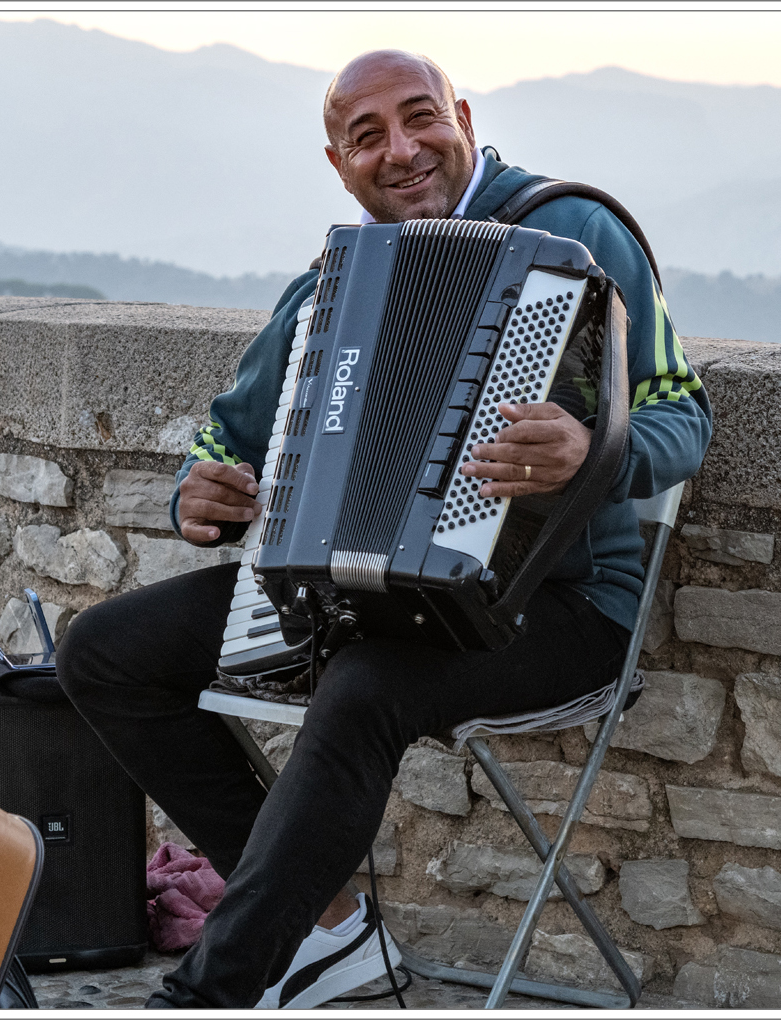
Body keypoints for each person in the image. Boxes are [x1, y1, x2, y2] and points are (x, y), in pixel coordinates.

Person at [56, 49, 712, 1009]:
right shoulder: (336, 280)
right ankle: (326, 927)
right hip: (358, 597)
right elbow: (224, 436)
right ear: (338, 164)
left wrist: (592, 450)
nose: (401, 151)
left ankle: (207, 994)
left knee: (367, 683)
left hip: (563, 607)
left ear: (465, 120)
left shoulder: (573, 230)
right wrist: (197, 497)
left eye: (421, 118)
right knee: (104, 651)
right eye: (367, 137)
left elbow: (681, 412)